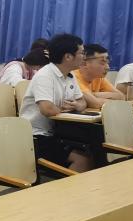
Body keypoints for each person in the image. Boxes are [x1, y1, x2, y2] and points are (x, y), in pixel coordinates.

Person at [19, 33, 92, 172]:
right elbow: (47, 109)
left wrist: (77, 106)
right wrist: (68, 109)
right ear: (68, 56)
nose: (84, 57)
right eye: (82, 53)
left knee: (94, 148)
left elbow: (82, 101)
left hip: (59, 131)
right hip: (36, 136)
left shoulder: (70, 75)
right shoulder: (45, 75)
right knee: (83, 160)